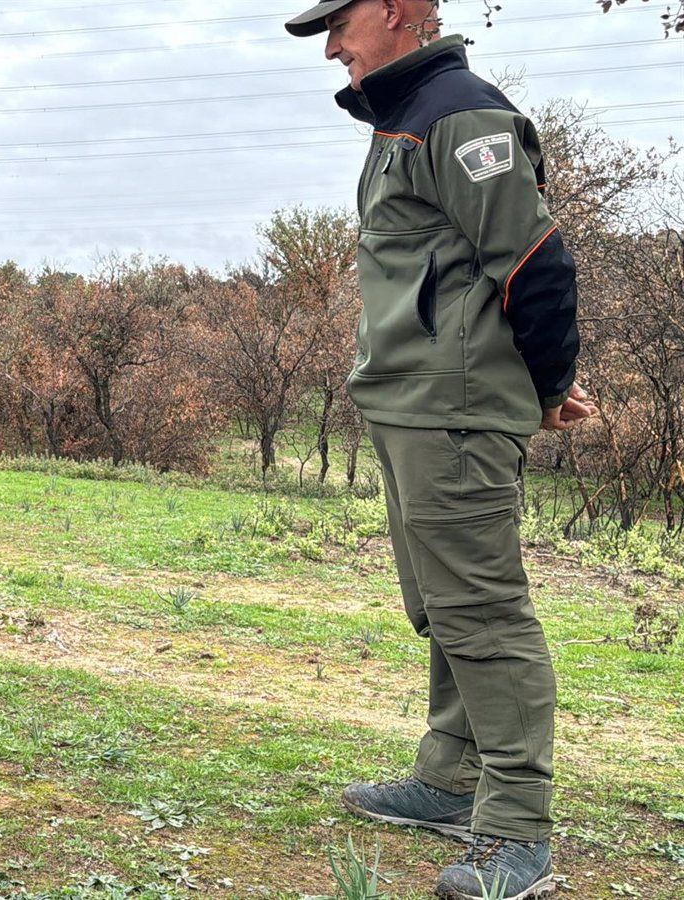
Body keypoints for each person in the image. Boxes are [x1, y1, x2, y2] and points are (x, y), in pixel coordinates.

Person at [285, 2, 594, 898]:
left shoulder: (459, 114)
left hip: (453, 409)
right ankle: (450, 779)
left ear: (394, 11)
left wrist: (538, 389)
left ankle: (516, 830)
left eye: (339, 25)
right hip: (412, 402)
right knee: (443, 606)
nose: (334, 46)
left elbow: (535, 262)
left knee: (484, 613)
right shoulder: (403, 118)